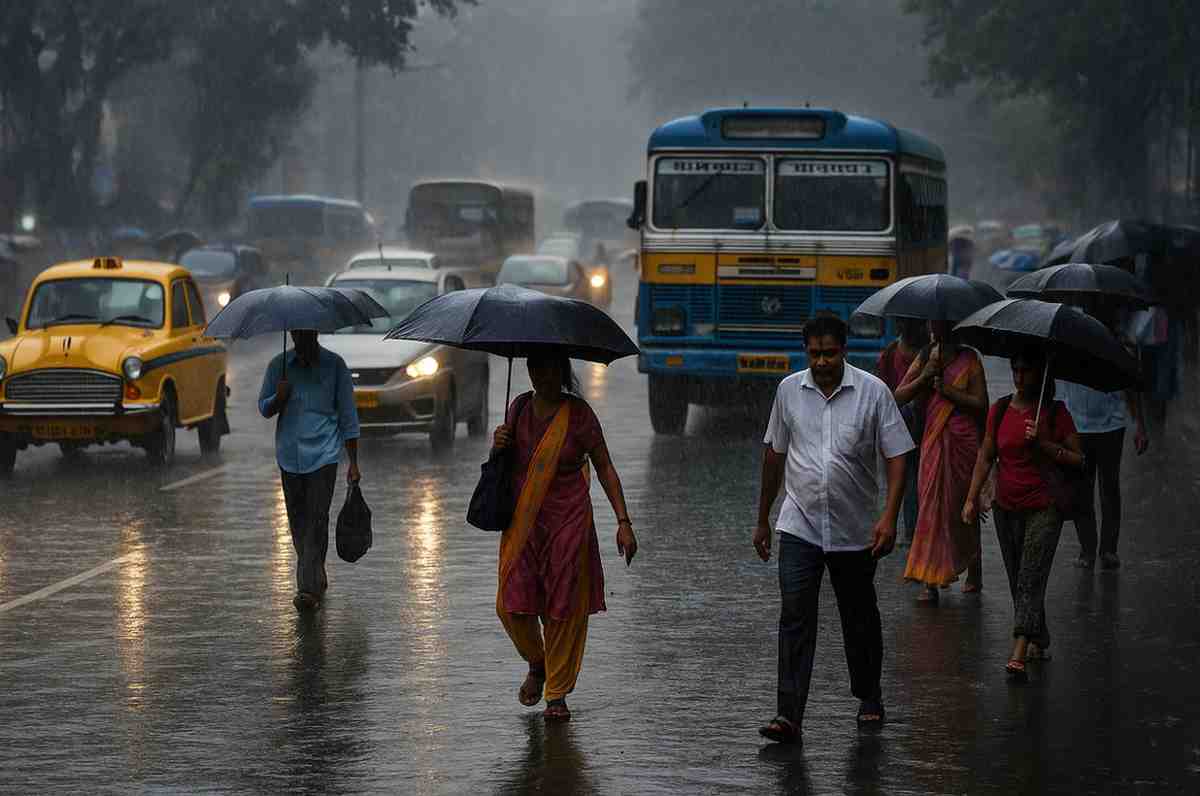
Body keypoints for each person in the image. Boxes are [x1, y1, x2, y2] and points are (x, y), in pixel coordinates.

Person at [754, 315, 913, 744]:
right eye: (814, 353)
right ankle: (788, 715)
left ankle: (869, 695)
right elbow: (775, 455)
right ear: (806, 353)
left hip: (855, 529)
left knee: (859, 617)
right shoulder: (789, 391)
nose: (822, 361)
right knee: (794, 616)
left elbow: (898, 456)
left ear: (844, 349)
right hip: (799, 524)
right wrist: (763, 518)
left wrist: (890, 516)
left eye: (829, 352)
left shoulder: (873, 393)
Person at [491, 351, 637, 723]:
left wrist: (623, 522)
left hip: (568, 524)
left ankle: (556, 693)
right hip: (523, 524)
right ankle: (538, 663)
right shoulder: (519, 409)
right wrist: (498, 443)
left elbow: (604, 465)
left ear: (562, 370)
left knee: (563, 609)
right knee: (511, 604)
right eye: (535, 366)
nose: (541, 374)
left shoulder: (580, 416)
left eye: (549, 367)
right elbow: (504, 465)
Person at [962, 347, 1083, 681]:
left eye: (1026, 371)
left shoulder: (1056, 413)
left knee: (1030, 576)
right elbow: (986, 456)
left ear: (1041, 374)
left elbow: (1078, 459)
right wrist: (971, 498)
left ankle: (1018, 649)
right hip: (1006, 507)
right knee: (1019, 578)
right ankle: (1038, 636)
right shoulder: (1000, 409)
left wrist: (1044, 443)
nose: (1019, 377)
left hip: (1044, 506)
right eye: (1015, 370)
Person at [258, 329, 361, 612]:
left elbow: (348, 416)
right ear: (291, 335)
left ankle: (307, 588)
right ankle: (315, 570)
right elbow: (264, 407)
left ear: (315, 334)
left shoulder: (335, 365)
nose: (301, 340)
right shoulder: (277, 366)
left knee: (317, 518)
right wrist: (278, 398)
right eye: (297, 335)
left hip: (324, 456)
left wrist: (353, 462)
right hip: (289, 456)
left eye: (306, 335)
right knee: (298, 523)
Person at [894, 320, 989, 600]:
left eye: (943, 323)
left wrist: (948, 391)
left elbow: (981, 404)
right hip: (933, 441)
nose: (936, 327)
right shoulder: (926, 355)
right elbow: (898, 395)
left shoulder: (969, 359)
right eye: (933, 323)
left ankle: (974, 568)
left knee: (962, 508)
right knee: (931, 507)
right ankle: (929, 579)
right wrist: (925, 377)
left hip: (963, 443)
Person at [1058, 304, 1149, 571]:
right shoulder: (1068, 339)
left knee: (1109, 488)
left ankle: (1108, 549)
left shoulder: (1120, 345)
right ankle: (1087, 549)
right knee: (1081, 491)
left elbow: (1131, 387)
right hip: (1077, 425)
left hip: (1111, 425)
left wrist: (1140, 425)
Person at [877, 318, 927, 544]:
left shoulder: (930, 353)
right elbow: (884, 388)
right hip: (902, 422)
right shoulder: (892, 353)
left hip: (923, 423)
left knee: (914, 477)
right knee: (907, 476)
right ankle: (910, 529)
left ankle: (914, 529)